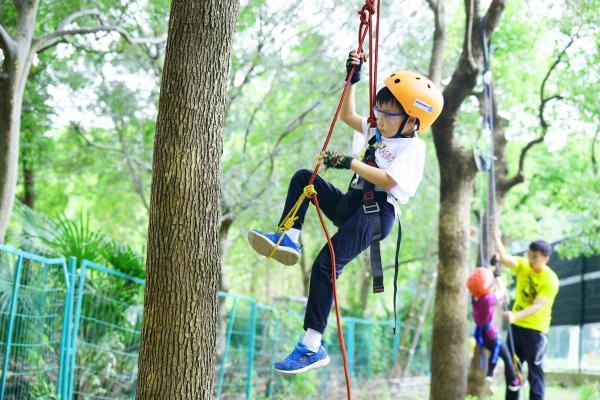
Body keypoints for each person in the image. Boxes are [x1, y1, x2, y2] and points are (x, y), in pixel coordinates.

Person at [247, 50, 443, 374]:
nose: (379, 117)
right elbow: (347, 115)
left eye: (389, 114)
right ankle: (289, 237)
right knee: (303, 178)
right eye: (379, 110)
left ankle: (311, 346)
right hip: (351, 203)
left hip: (375, 213)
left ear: (413, 121)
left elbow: (389, 179)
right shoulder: (378, 129)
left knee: (326, 264)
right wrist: (352, 78)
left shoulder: (412, 148)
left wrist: (349, 162)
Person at [492, 228, 559, 400]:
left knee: (534, 370)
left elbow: (537, 306)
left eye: (535, 257)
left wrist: (514, 316)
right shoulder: (524, 265)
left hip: (536, 331)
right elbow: (506, 259)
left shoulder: (550, 280)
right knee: (512, 369)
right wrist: (497, 238)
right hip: (516, 329)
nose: (530, 260)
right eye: (529, 255)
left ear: (546, 258)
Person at [467, 266, 520, 395]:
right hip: (491, 336)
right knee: (506, 356)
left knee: (499, 353)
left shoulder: (475, 298)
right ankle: (514, 381)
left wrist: (489, 272)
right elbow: (503, 292)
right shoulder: (488, 299)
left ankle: (489, 377)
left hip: (482, 337)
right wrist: (497, 275)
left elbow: (485, 289)